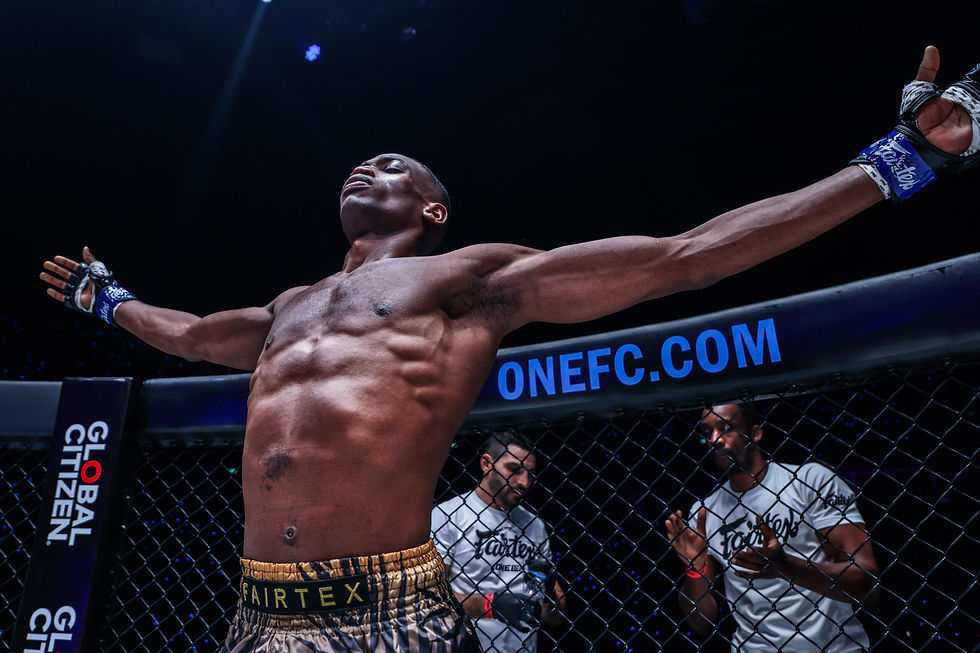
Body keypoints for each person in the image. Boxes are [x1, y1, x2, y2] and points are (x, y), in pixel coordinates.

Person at [38, 47, 974, 652]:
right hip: (256, 607)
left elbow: (687, 256)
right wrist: (105, 296)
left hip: (388, 604)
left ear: (433, 211)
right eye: (360, 162)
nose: (368, 164)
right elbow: (194, 335)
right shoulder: (289, 305)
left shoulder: (470, 281)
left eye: (395, 165)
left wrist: (896, 163)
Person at [664, 403, 880, 651]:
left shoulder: (809, 481)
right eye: (707, 432)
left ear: (755, 433)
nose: (714, 439)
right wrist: (695, 568)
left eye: (727, 428)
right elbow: (701, 623)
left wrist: (786, 567)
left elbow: (867, 583)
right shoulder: (705, 512)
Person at [432, 432, 566, 652]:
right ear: (486, 464)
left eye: (530, 474)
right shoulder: (449, 515)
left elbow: (556, 618)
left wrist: (549, 594)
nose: (524, 482)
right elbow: (431, 602)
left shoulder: (534, 525)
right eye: (514, 470)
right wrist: (490, 605)